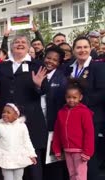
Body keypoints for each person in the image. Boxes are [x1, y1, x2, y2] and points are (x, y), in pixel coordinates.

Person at [0, 35, 48, 180]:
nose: (20, 44)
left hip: (30, 120)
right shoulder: (2, 66)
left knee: (33, 162)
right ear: (11, 46)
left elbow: (45, 90)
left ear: (28, 47)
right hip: (7, 122)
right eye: (16, 42)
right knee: (7, 160)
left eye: (23, 42)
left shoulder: (37, 65)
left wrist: (38, 85)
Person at [64, 36, 105, 180]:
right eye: (79, 47)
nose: (82, 50)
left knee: (89, 156)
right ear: (73, 50)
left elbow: (102, 92)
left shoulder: (98, 67)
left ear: (90, 48)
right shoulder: (68, 68)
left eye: (85, 47)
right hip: (72, 121)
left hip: (92, 118)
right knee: (74, 157)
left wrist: (80, 104)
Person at [52, 79, 94, 180]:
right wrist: (57, 149)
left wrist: (87, 152)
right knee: (72, 174)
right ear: (65, 97)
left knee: (80, 176)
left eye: (74, 97)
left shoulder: (84, 112)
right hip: (67, 150)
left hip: (80, 151)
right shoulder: (61, 112)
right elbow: (57, 132)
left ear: (80, 97)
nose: (71, 100)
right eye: (69, 97)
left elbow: (89, 133)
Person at [40, 46, 68, 180]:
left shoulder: (62, 80)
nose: (50, 61)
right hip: (38, 126)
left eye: (55, 60)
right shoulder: (37, 73)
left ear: (59, 63)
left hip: (54, 128)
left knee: (54, 163)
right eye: (48, 58)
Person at [0, 103, 37, 180]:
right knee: (8, 178)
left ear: (16, 115)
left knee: (18, 178)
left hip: (19, 157)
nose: (5, 114)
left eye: (8, 112)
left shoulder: (22, 126)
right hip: (5, 158)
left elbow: (27, 141)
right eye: (3, 112)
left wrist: (32, 154)